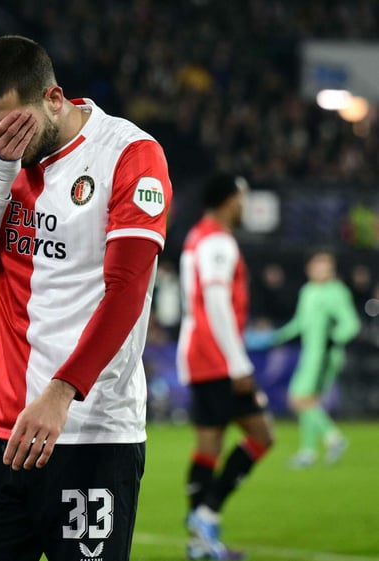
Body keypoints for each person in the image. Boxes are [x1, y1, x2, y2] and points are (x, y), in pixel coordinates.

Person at [0, 36, 172, 561]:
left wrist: (62, 392)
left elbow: (127, 291)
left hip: (93, 436)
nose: (8, 138)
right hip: (2, 431)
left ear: (54, 98)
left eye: (17, 124)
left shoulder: (130, 154)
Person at [177, 174, 275, 560]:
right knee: (262, 435)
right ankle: (206, 514)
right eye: (242, 197)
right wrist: (237, 362)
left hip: (198, 353)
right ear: (228, 200)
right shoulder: (218, 241)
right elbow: (215, 302)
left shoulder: (196, 237)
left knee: (209, 447)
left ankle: (200, 543)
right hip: (215, 357)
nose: (245, 204)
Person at [273, 250, 360, 468]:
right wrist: (277, 336)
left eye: (326, 266)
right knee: (308, 402)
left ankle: (334, 438)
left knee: (298, 398)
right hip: (310, 353)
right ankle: (308, 452)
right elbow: (299, 323)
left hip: (324, 356)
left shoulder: (337, 292)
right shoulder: (308, 291)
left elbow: (351, 324)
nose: (321, 270)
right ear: (309, 268)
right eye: (318, 265)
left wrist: (334, 339)